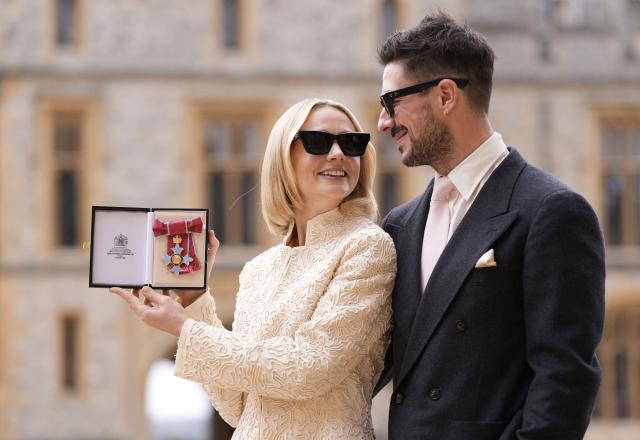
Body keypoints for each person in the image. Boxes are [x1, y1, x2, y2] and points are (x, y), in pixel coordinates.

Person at [374, 12, 605, 440]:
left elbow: (564, 383)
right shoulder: (400, 225)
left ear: (446, 96)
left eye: (392, 103)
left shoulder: (551, 211)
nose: (383, 123)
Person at [110, 98, 396, 439]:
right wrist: (194, 299)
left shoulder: (367, 247)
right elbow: (238, 406)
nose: (338, 153)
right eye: (318, 142)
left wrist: (185, 328)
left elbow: (310, 367)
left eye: (352, 143)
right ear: (283, 159)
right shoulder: (258, 269)